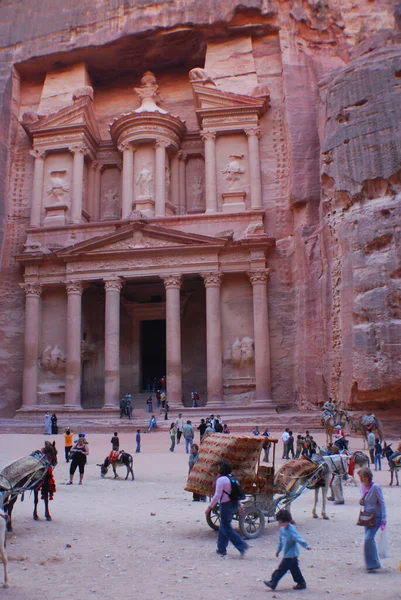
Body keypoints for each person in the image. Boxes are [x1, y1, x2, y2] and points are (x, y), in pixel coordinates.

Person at [205, 460, 248, 558]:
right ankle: (221, 549)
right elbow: (235, 494)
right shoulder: (232, 478)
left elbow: (217, 496)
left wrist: (209, 507)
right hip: (233, 505)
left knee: (227, 527)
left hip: (226, 505)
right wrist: (239, 506)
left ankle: (242, 545)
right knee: (223, 527)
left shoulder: (221, 480)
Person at [264, 509, 311, 591]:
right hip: (287, 553)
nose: (279, 523)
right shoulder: (282, 529)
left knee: (281, 569)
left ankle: (273, 582)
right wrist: (278, 550)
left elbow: (298, 538)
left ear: (286, 522)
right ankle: (301, 583)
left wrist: (306, 545)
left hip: (291, 554)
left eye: (280, 522)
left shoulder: (291, 530)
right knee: (294, 570)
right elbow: (281, 540)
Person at [358, 466, 386, 571]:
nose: (361, 479)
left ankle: (373, 563)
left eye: (362, 477)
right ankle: (373, 563)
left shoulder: (375, 487)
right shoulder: (362, 487)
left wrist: (384, 518)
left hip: (376, 516)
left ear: (367, 476)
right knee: (369, 539)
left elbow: (382, 502)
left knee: (368, 538)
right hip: (367, 516)